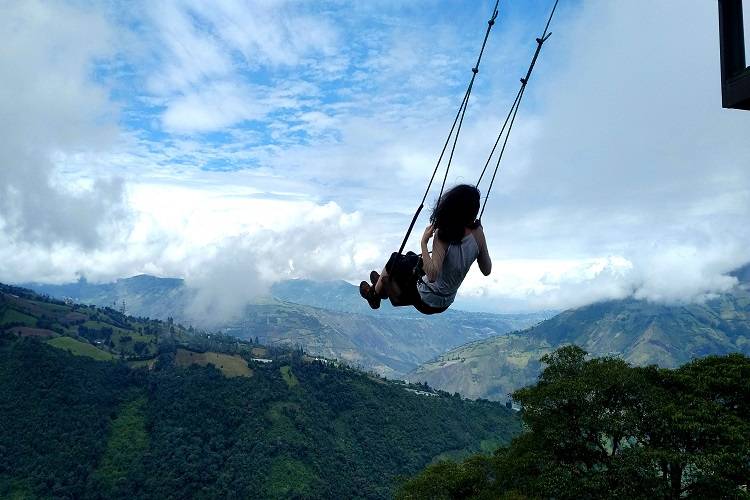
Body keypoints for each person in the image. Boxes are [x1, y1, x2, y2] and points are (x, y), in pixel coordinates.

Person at [359, 184, 492, 314]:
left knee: (395, 259)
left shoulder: (444, 233)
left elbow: (432, 275)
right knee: (411, 257)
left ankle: (374, 294)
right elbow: (486, 270)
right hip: (446, 302)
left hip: (426, 298)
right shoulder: (478, 234)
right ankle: (380, 288)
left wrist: (424, 242)